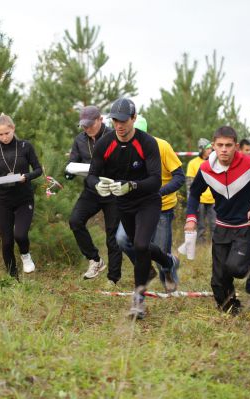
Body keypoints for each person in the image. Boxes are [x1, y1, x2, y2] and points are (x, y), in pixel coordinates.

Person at [87, 98, 177, 319]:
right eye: (115, 120)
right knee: (140, 247)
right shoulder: (104, 144)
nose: (119, 125)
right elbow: (91, 176)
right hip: (123, 204)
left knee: (140, 245)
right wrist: (99, 185)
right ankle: (168, 261)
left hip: (148, 200)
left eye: (124, 120)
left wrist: (131, 185)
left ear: (134, 118)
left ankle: (138, 303)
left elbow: (156, 180)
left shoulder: (147, 143)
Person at [185, 126, 250, 314]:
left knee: (236, 268)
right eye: (220, 145)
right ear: (213, 146)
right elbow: (194, 193)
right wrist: (191, 217)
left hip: (248, 224)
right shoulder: (206, 168)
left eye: (228, 145)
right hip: (223, 224)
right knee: (218, 279)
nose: (224, 149)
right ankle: (231, 305)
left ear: (236, 146)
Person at [115, 115, 184, 292]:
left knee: (161, 249)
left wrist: (160, 191)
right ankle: (146, 271)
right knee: (123, 239)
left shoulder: (161, 146)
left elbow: (179, 177)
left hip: (162, 206)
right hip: (135, 205)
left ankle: (168, 272)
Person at [66, 106, 122, 283]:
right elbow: (72, 161)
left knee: (112, 235)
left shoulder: (114, 136)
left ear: (100, 120)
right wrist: (69, 171)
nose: (86, 128)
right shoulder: (80, 140)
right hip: (91, 190)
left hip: (112, 190)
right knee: (75, 221)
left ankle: (113, 277)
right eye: (83, 125)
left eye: (90, 124)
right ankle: (95, 260)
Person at [0, 113, 42, 278]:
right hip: (4, 200)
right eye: (0, 134)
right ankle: (12, 277)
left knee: (20, 235)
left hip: (24, 198)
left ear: (13, 129)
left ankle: (25, 255)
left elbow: (38, 169)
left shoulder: (25, 146)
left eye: (6, 133)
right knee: (7, 241)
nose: (4, 137)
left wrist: (27, 177)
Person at [186, 138, 216, 242]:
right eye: (208, 148)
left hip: (213, 200)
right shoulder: (192, 163)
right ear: (202, 149)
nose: (210, 150)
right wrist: (192, 204)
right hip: (200, 201)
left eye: (211, 148)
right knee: (201, 227)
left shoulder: (215, 162)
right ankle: (200, 248)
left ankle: (216, 246)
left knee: (215, 226)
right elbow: (190, 186)